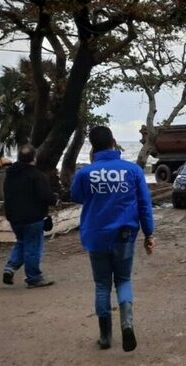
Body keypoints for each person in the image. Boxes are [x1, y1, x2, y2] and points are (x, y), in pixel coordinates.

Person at [71, 126, 155, 352]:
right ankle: (127, 325)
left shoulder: (84, 173)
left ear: (92, 147)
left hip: (96, 237)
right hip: (124, 236)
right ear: (114, 142)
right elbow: (144, 205)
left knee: (101, 285)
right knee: (124, 281)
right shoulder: (133, 171)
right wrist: (149, 233)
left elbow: (77, 196)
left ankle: (105, 336)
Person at [3, 144, 58, 288]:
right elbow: (44, 195)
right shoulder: (37, 176)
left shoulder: (10, 175)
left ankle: (10, 267)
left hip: (14, 218)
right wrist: (55, 200)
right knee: (33, 248)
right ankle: (34, 277)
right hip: (33, 218)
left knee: (21, 242)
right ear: (34, 158)